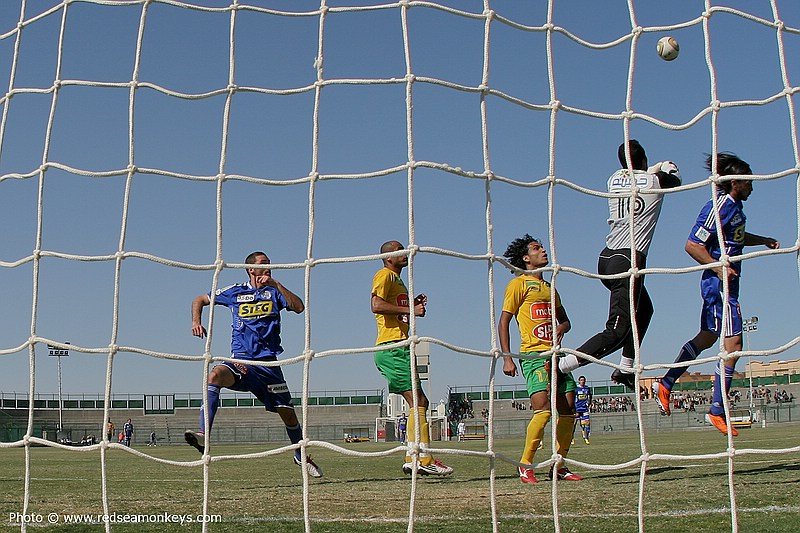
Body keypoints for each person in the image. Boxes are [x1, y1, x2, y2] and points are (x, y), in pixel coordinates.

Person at [651, 153, 779, 436]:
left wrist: (762, 241)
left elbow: (736, 237)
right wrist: (720, 269)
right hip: (719, 285)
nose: (752, 187)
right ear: (735, 182)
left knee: (708, 336)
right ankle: (717, 410)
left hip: (726, 283)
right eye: (748, 182)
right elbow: (692, 245)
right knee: (734, 345)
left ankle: (666, 382)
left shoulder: (735, 209)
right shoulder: (718, 206)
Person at [185, 251, 322, 478]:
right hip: (241, 362)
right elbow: (198, 299)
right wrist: (196, 322)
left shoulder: (275, 292)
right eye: (263, 264)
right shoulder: (235, 292)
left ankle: (299, 454)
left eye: (269, 263)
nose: (268, 267)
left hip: (269, 366)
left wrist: (276, 284)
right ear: (250, 269)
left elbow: (299, 307)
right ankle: (204, 435)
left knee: (288, 414)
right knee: (214, 375)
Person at [558, 140, 682, 390]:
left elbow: (643, 175)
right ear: (644, 161)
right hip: (628, 261)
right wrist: (662, 166)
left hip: (607, 258)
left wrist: (652, 167)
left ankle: (626, 368)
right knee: (618, 330)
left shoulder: (614, 178)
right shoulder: (656, 182)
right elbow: (675, 180)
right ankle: (562, 366)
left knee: (644, 309)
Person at [499, 234, 583, 483]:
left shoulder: (550, 287)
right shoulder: (518, 284)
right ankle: (525, 464)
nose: (543, 250)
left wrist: (562, 327)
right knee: (543, 410)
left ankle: (558, 465)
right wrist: (507, 358)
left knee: (567, 411)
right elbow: (504, 322)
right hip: (534, 355)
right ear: (526, 258)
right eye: (537, 248)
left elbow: (565, 320)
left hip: (558, 356)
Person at [371, 240, 453, 476]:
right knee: (419, 402)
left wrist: (410, 305)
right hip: (392, 347)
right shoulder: (385, 275)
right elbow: (376, 305)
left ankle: (413, 457)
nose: (405, 252)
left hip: (399, 346)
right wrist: (411, 310)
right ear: (388, 257)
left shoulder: (398, 281)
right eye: (399, 250)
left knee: (418, 402)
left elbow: (391, 308)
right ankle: (422, 458)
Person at [574, 376, 592, 445]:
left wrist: (589, 402)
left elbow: (590, 395)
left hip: (584, 408)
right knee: (574, 424)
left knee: (588, 423)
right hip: (577, 409)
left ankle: (586, 438)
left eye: (584, 380)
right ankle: (571, 437)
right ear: (579, 381)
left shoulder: (587, 388)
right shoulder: (576, 389)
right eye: (581, 380)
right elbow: (572, 397)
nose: (583, 381)